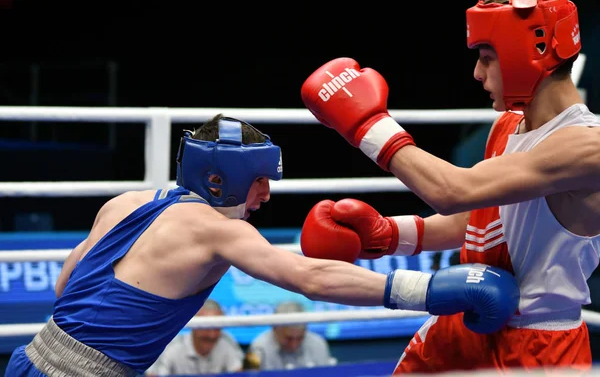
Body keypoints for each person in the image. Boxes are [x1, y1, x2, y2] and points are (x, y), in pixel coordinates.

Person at [6, 113, 519, 376]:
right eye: (258, 181)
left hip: (27, 360)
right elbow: (311, 277)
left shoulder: (125, 201)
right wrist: (431, 289)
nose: (267, 195)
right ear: (219, 179)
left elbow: (64, 284)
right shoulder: (220, 230)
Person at [299, 0, 600, 375]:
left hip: (536, 345)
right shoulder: (509, 125)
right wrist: (390, 234)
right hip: (464, 319)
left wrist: (368, 126)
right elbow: (476, 217)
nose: (477, 73)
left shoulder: (586, 146)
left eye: (487, 58)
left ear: (529, 56)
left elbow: (453, 192)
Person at [145, 299, 244, 376]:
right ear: (194, 326)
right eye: (207, 328)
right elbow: (153, 375)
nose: (212, 335)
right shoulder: (172, 347)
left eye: (217, 328)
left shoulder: (226, 342)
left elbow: (239, 374)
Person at [247, 301, 333, 371]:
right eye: (288, 338)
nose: (294, 344)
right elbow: (248, 376)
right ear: (274, 328)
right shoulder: (256, 348)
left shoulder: (318, 344)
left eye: (300, 338)